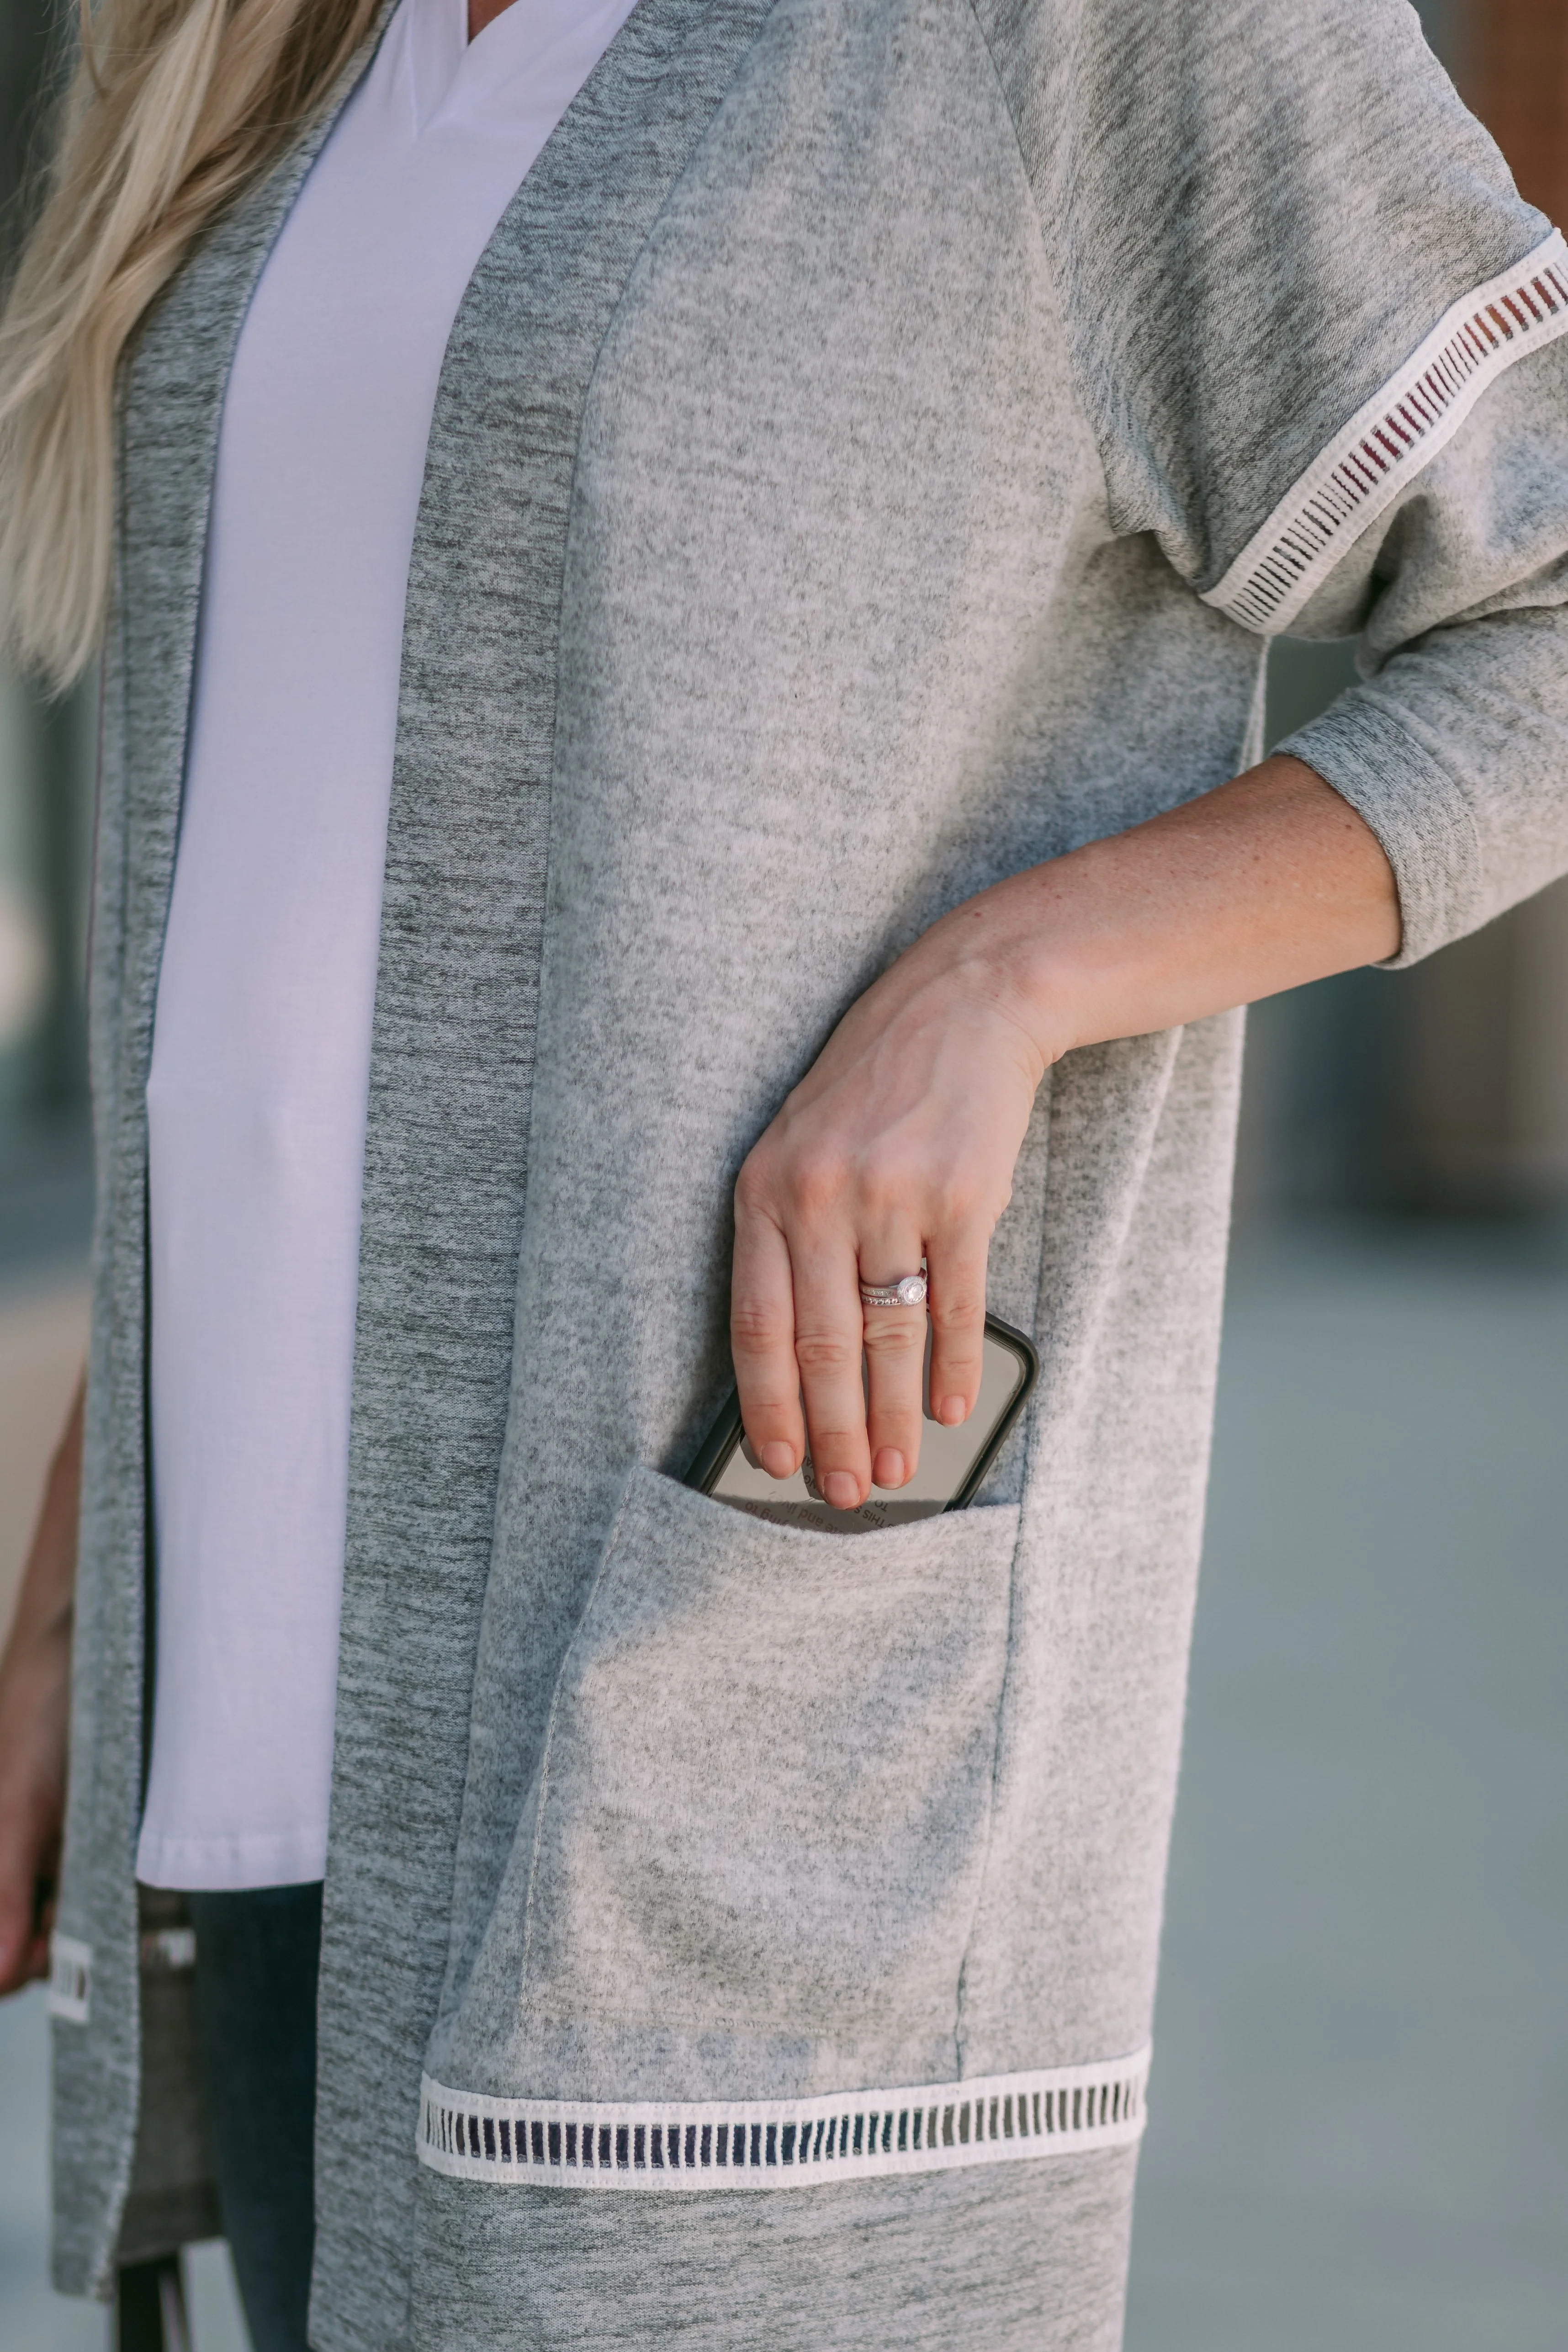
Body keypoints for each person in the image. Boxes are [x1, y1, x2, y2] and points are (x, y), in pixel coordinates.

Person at [1, 0, 1565, 2345]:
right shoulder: (284, 48)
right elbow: (274, 935)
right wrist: (73, 1589)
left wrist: (1006, 980)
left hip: (694, 1732)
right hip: (251, 1737)